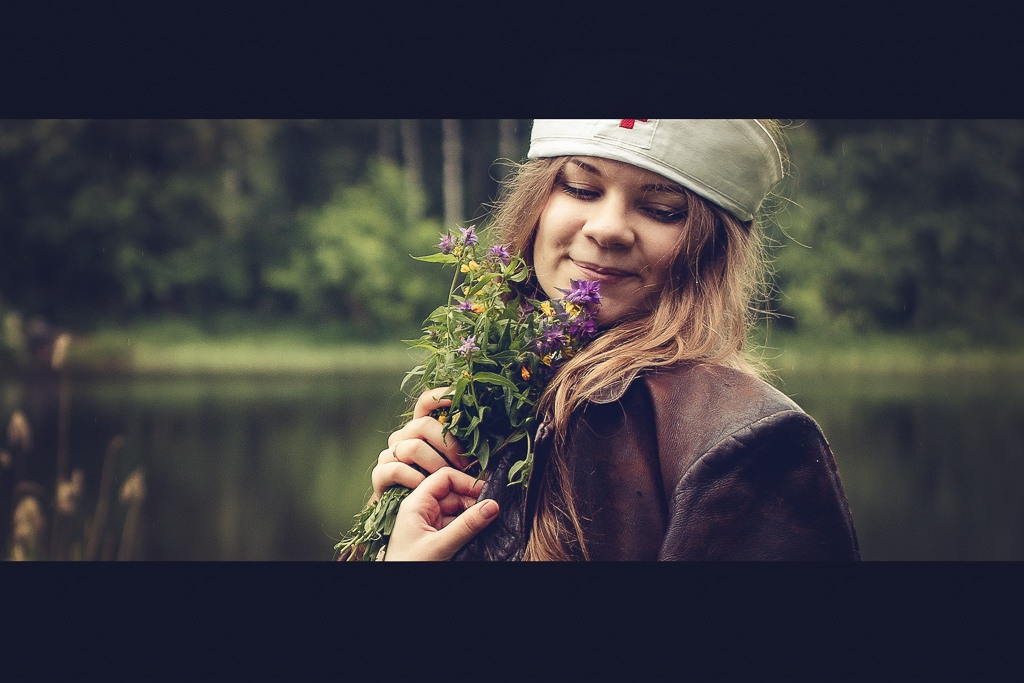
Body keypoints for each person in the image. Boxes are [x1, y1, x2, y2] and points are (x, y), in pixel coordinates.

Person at [370, 119, 860, 561]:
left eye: (662, 208)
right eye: (582, 189)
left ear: (711, 247)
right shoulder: (500, 383)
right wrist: (392, 524)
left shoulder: (751, 445)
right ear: (537, 204)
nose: (607, 229)